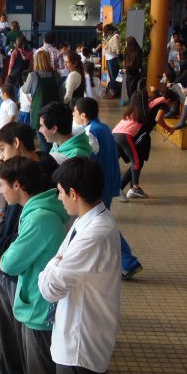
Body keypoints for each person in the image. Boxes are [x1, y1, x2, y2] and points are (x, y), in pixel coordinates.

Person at [0, 156, 68, 374]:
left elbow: (10, 264)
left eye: (2, 185)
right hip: (36, 303)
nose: (0, 191)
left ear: (17, 185)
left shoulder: (40, 218)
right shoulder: (35, 211)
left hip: (40, 310)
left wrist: (0, 257)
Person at [38, 158, 120, 374]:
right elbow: (59, 261)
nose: (58, 198)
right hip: (75, 339)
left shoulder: (94, 235)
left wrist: (53, 264)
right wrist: (57, 263)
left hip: (79, 349)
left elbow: (49, 289)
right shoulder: (87, 221)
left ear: (73, 193)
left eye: (60, 192)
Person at [73, 97, 145, 280]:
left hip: (99, 185)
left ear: (83, 115)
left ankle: (128, 262)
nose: (73, 114)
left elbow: (89, 158)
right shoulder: (103, 127)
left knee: (101, 225)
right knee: (102, 223)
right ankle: (123, 261)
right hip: (109, 181)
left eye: (75, 112)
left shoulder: (90, 132)